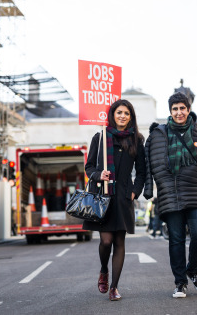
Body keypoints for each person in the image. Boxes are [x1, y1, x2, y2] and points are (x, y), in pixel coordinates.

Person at [144, 92, 197, 298]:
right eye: (175, 109)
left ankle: (193, 270)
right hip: (170, 193)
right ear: (170, 111)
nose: (179, 112)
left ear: (188, 109)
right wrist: (149, 190)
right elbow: (148, 164)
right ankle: (180, 283)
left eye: (182, 108)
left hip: (196, 190)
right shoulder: (157, 134)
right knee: (176, 239)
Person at [83, 99, 146, 301]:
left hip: (124, 197)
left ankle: (114, 288)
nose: (122, 116)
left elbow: (142, 172)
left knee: (119, 241)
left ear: (131, 117)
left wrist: (135, 191)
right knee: (106, 240)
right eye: (119, 112)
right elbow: (89, 167)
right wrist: (98, 175)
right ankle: (104, 270)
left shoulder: (137, 140)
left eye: (126, 113)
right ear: (112, 114)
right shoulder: (100, 137)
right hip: (103, 195)